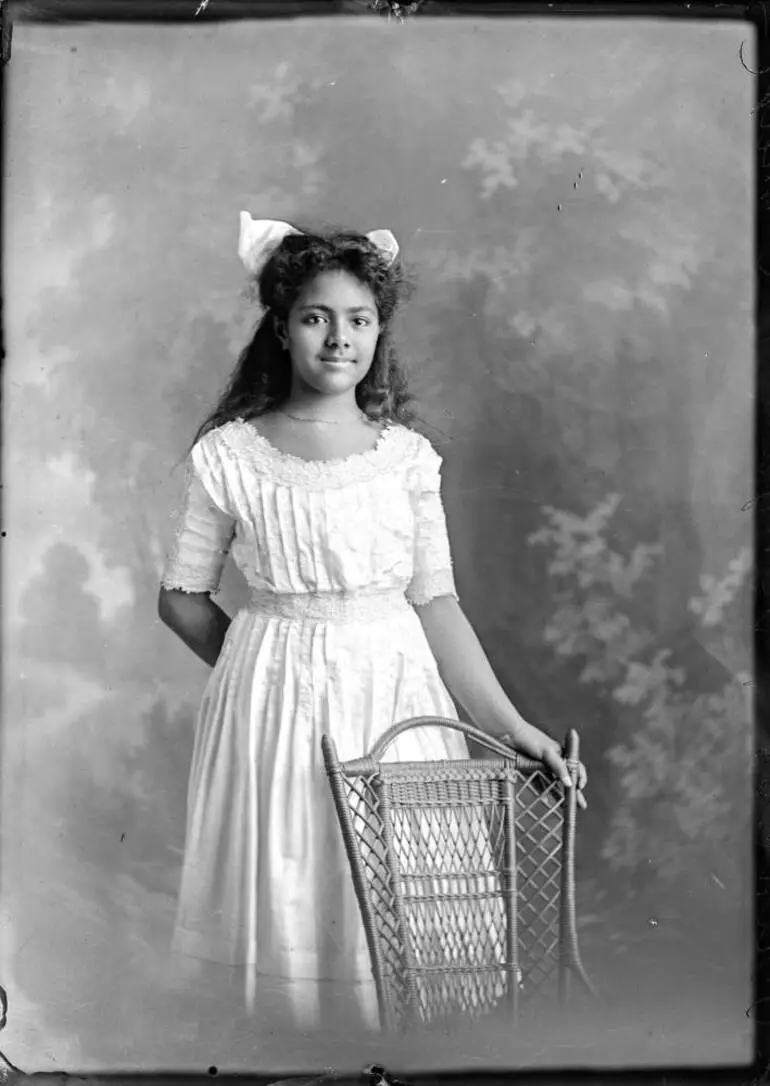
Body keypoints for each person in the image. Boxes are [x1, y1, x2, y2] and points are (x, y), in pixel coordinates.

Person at [158, 213, 587, 1036]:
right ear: (281, 328)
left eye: (358, 320)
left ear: (379, 330)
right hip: (272, 710)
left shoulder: (406, 460)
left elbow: (437, 605)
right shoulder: (230, 456)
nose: (337, 340)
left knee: (401, 913)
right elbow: (181, 596)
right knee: (290, 875)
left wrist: (516, 728)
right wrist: (260, 670)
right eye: (316, 318)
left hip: (394, 695)